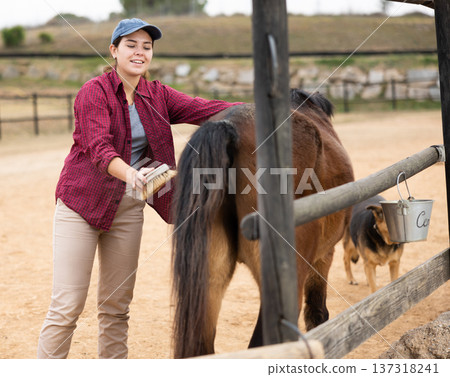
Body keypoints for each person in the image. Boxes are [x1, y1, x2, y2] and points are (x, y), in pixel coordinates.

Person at [37, 18, 242, 359]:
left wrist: (261, 111)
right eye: (131, 45)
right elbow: (99, 147)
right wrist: (130, 173)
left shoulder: (157, 94)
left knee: (116, 306)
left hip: (128, 210)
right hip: (81, 207)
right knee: (67, 306)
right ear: (114, 51)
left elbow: (204, 108)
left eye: (146, 46)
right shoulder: (94, 92)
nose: (139, 52)